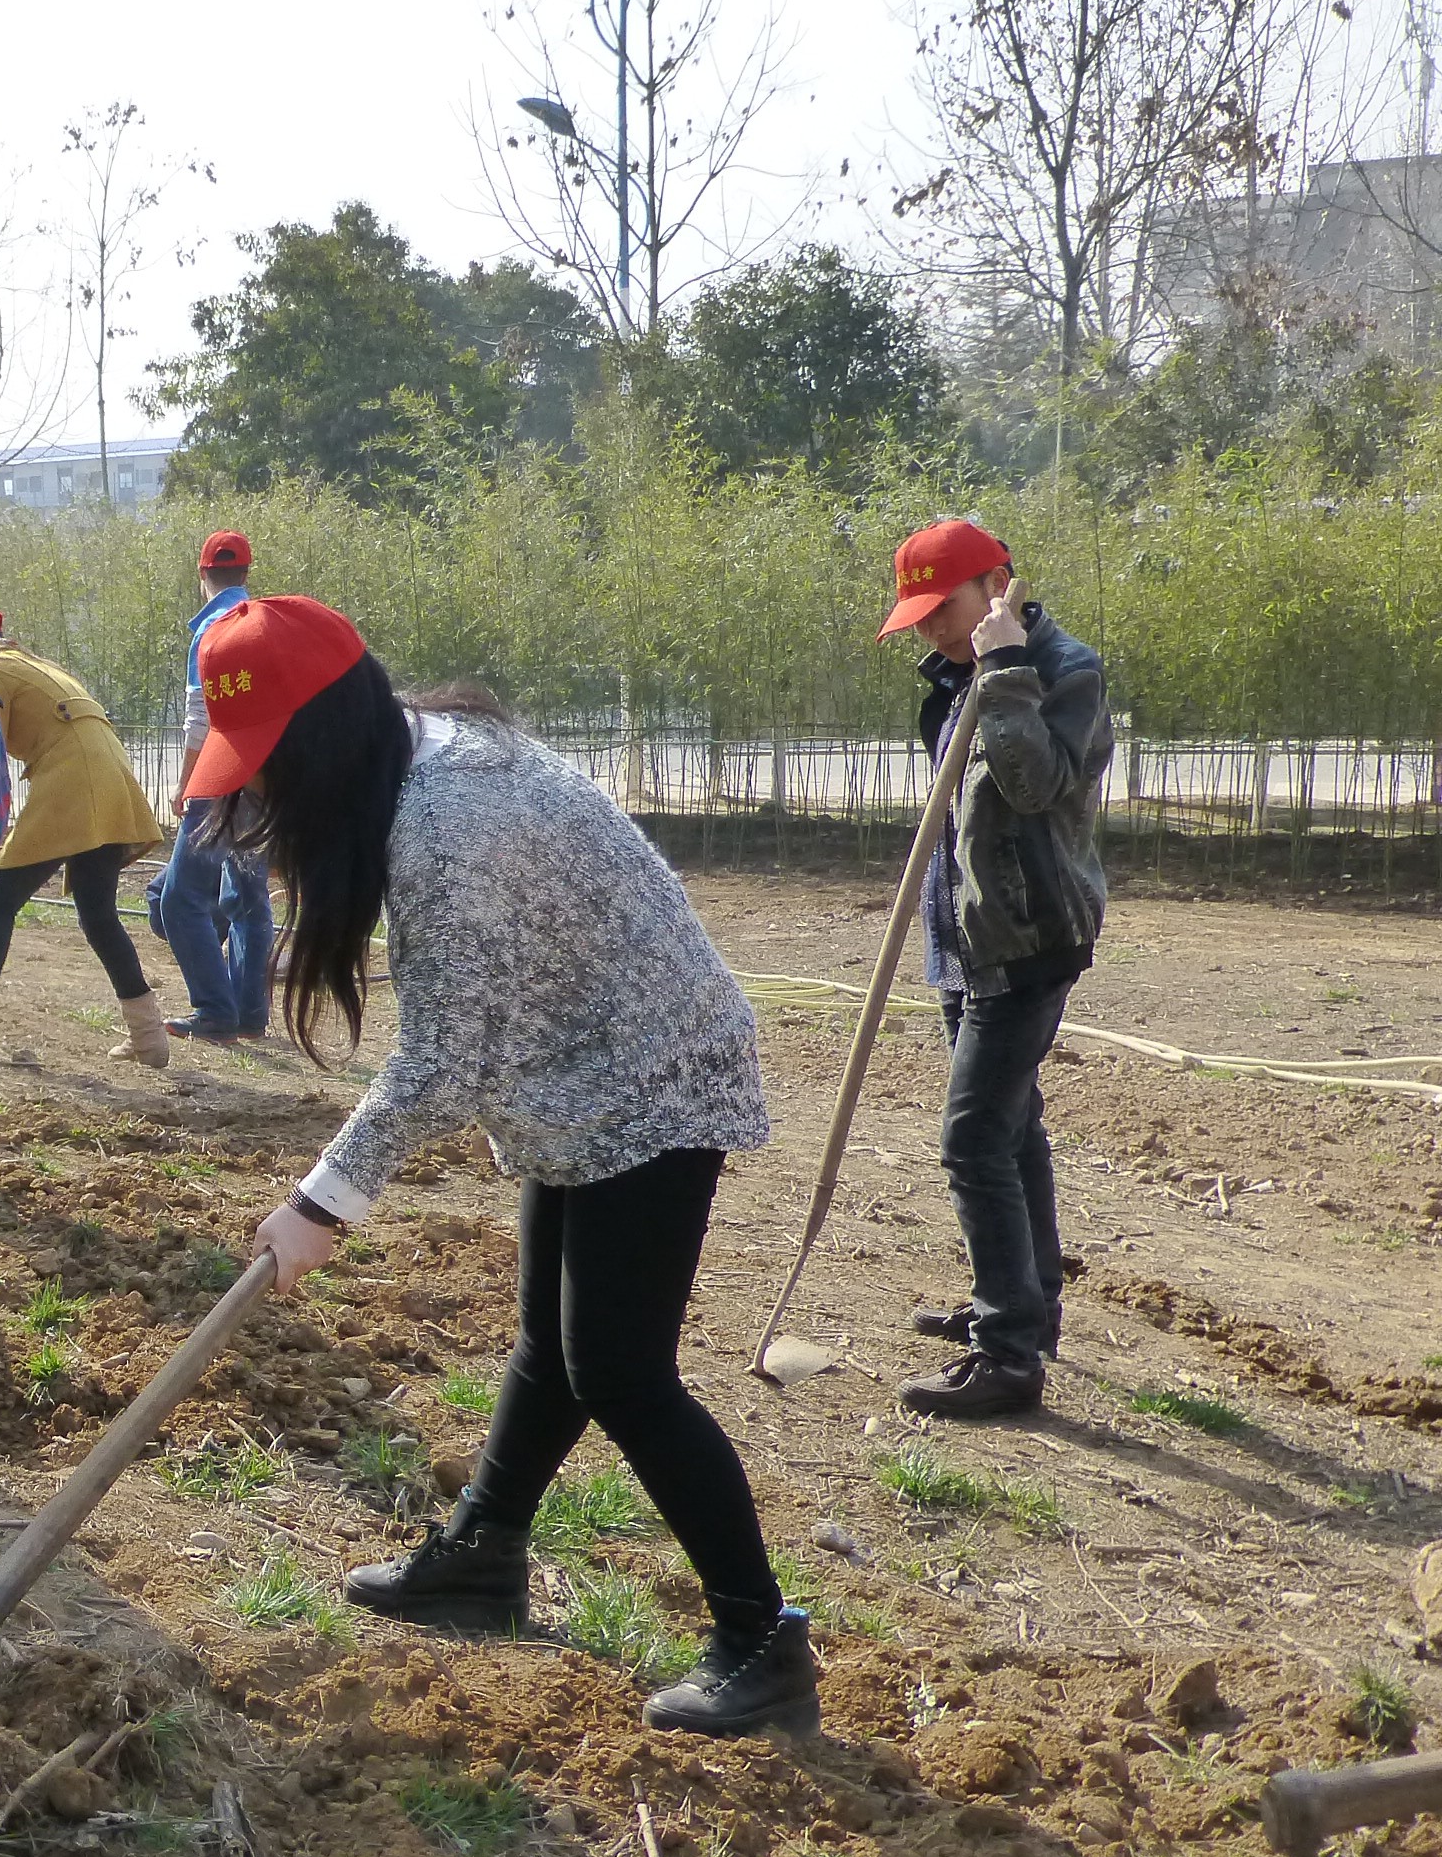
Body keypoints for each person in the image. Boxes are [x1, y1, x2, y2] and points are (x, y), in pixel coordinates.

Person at [216, 595, 813, 1739]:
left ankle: (761, 1637)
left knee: (621, 1374)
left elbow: (448, 1057)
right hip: (582, 1068)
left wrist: (321, 1204)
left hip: (653, 1072)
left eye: (269, 763)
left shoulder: (448, 817)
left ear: (321, 739)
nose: (265, 795)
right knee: (553, 1343)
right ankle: (482, 1558)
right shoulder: (416, 758)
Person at [879, 519, 1113, 1422]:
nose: (936, 628)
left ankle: (1008, 1354)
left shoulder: (1063, 670)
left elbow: (1035, 787)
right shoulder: (953, 677)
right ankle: (1023, 1303)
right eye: (921, 615)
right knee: (1012, 1131)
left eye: (946, 607)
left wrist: (1005, 666)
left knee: (973, 1141)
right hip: (967, 936)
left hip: (1030, 938)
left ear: (998, 583)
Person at [0, 607, 172, 1067]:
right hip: (111, 779)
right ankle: (149, 1038)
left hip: (72, 782)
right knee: (99, 915)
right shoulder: (40, 666)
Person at [149, 529, 273, 1042]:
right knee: (248, 895)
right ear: (246, 572)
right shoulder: (262, 625)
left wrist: (186, 783)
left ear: (203, 574)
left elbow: (199, 720)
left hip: (220, 779)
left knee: (179, 900)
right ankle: (248, 1014)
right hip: (262, 778)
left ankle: (214, 1010)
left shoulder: (211, 629)